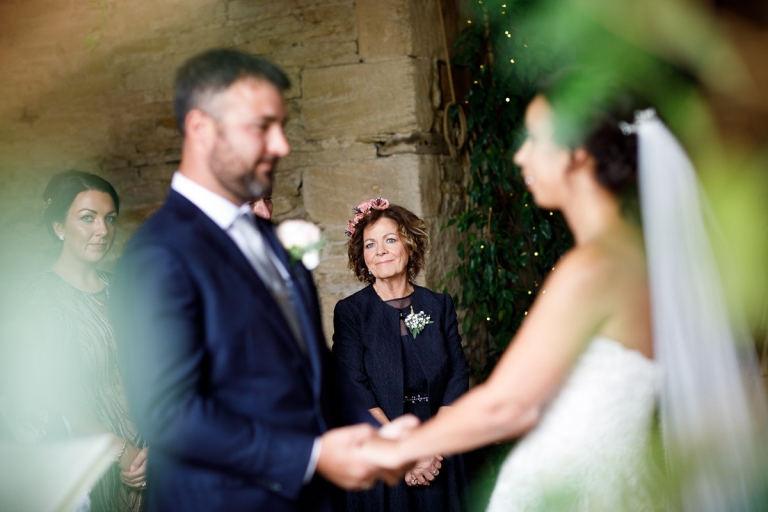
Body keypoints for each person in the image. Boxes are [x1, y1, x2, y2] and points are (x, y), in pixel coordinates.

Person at [363, 75, 768, 511]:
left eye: (536, 139)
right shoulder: (638, 255)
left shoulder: (594, 267)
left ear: (577, 151)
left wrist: (391, 450)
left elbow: (509, 406)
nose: (521, 155)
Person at [110, 48, 393, 512]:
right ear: (201, 129)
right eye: (262, 127)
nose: (281, 145)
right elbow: (169, 415)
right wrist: (312, 456)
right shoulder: (158, 254)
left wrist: (382, 439)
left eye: (280, 126)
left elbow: (311, 369)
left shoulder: (271, 238)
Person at [13, 170, 148, 511]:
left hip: (153, 455)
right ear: (59, 227)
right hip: (96, 462)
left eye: (109, 218)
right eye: (87, 218)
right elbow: (48, 392)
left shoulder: (126, 287)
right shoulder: (39, 298)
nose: (102, 230)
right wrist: (119, 451)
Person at [333, 199, 469, 512]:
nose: (379, 251)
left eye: (390, 239)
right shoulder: (351, 312)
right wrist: (402, 452)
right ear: (362, 257)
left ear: (410, 246)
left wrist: (430, 445)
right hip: (382, 443)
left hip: (438, 442)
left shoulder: (439, 305)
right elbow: (353, 387)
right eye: (370, 244)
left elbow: (457, 376)